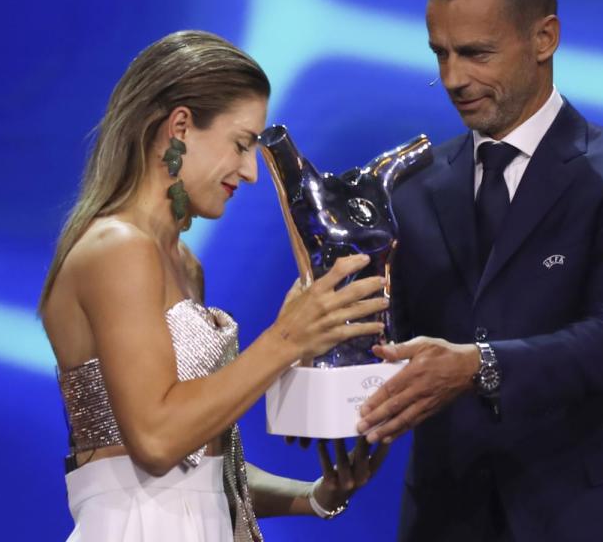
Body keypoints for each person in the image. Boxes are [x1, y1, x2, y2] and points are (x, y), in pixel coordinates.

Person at [356, 0, 603, 540]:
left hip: (591, 510)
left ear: (544, 39)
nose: (454, 78)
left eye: (476, 54)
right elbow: (392, 338)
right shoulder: (412, 185)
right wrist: (328, 324)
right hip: (449, 514)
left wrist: (476, 365)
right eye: (441, 54)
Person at [39, 30, 389, 542]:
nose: (250, 173)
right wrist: (287, 338)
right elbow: (157, 442)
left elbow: (199, 474)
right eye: (242, 144)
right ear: (180, 127)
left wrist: (313, 497)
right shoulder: (117, 248)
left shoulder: (182, 263)